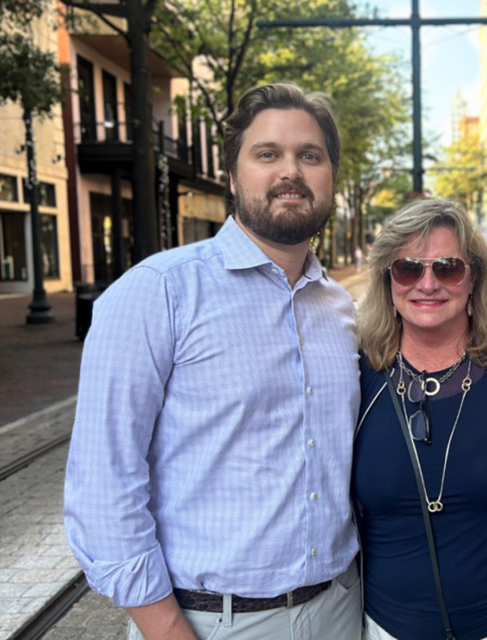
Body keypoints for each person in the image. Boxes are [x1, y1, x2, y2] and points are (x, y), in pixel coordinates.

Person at [64, 83, 362, 640]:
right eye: (267, 153)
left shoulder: (341, 308)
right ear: (232, 176)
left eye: (310, 155)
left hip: (339, 610)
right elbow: (103, 487)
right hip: (211, 623)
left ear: (330, 179)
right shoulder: (157, 293)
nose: (290, 171)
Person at [354, 198, 487, 640]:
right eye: (408, 268)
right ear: (388, 282)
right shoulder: (357, 376)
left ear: (474, 280)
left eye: (447, 268)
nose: (427, 283)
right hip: (382, 629)